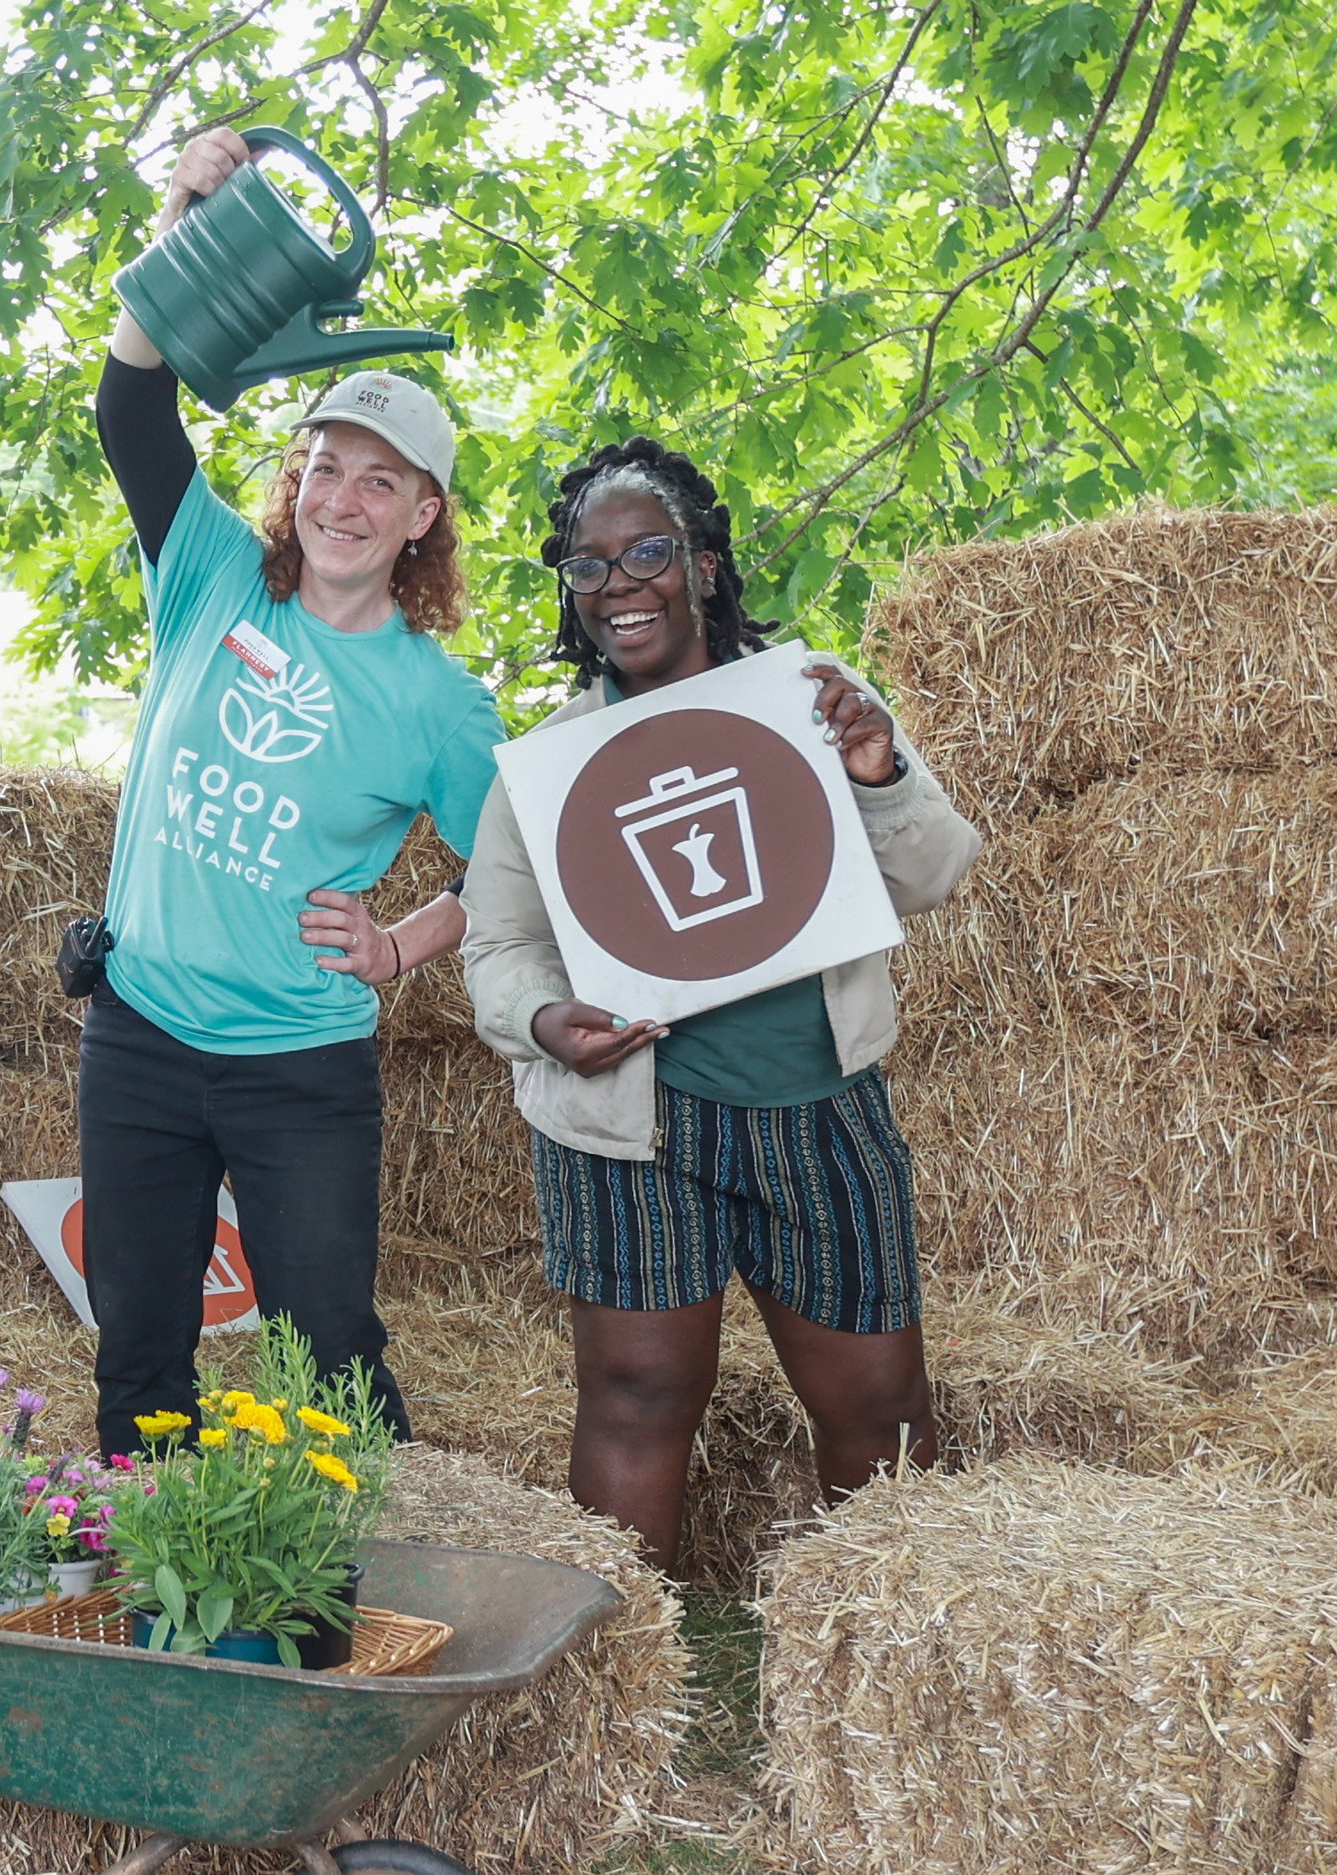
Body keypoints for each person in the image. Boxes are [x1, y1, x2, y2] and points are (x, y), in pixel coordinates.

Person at [459, 436, 981, 1576]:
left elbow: (935, 871)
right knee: (636, 1394)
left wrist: (875, 772)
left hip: (818, 1098)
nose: (616, 584)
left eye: (644, 551)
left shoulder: (813, 704)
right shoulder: (547, 765)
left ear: (701, 563)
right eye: (585, 566)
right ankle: (619, 1680)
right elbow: (498, 948)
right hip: (631, 1123)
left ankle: (883, 1662)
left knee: (881, 1404)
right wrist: (546, 1023)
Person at [85, 128, 508, 1458]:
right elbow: (129, 406)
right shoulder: (210, 571)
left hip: (298, 1066)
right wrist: (187, 218)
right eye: (326, 465)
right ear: (295, 480)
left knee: (328, 1347)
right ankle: (162, 1625)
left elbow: (512, 864)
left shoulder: (439, 700)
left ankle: (351, 1613)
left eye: (380, 480)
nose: (344, 496)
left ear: (423, 515)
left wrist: (400, 944)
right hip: (141, 1038)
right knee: (141, 1347)